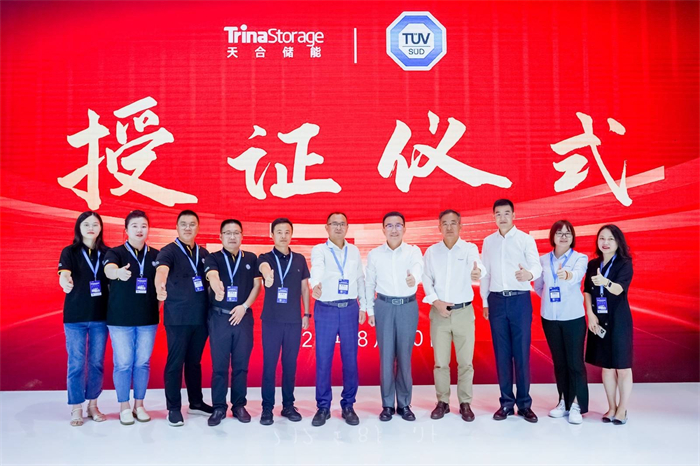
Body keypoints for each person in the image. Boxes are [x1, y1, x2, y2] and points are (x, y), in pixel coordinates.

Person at [481, 199, 542, 423]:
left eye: (507, 213)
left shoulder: (525, 239)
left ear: (514, 215)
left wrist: (529, 275)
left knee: (522, 353)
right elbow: (485, 273)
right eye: (498, 214)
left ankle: (524, 404)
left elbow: (536, 266)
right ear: (494, 217)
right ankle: (506, 403)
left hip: (519, 301)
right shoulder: (488, 242)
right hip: (496, 301)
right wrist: (485, 301)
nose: (503, 217)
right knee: (502, 354)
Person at [422, 209, 485, 422]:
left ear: (460, 226)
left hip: (464, 312)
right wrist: (436, 302)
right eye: (445, 223)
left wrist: (478, 272)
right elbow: (426, 279)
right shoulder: (432, 252)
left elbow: (478, 267)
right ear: (439, 227)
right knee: (440, 362)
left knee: (465, 362)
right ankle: (442, 402)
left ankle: (465, 403)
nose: (449, 227)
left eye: (453, 223)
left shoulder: (469, 249)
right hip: (439, 312)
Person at [154, 210, 213, 427]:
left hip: (201, 317)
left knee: (194, 362)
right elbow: (161, 271)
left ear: (198, 227)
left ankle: (196, 402)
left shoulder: (203, 253)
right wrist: (160, 286)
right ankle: (173, 408)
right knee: (175, 362)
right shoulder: (168, 251)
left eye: (192, 224)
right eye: (184, 224)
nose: (188, 228)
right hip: (178, 318)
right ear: (177, 227)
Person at [309, 212, 366, 427]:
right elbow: (317, 268)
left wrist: (364, 306)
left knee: (350, 360)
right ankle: (323, 406)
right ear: (327, 227)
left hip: (350, 308)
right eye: (334, 224)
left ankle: (348, 405)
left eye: (342, 224)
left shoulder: (354, 251)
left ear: (347, 227)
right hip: (326, 309)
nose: (339, 227)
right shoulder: (320, 250)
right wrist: (315, 284)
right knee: (323, 359)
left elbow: (360, 279)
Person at [103, 210, 160, 425]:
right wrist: (117, 273)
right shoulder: (116, 253)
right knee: (123, 364)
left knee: (143, 363)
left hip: (147, 319)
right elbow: (108, 269)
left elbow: (161, 284)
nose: (139, 230)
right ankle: (124, 406)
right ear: (126, 230)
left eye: (143, 226)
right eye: (134, 226)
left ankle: (139, 404)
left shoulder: (156, 255)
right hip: (120, 319)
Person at [365, 211, 423, 422]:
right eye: (389, 226)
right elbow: (369, 283)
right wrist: (370, 310)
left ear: (404, 229)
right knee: (386, 357)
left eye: (398, 225)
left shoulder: (413, 251)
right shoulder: (375, 254)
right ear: (383, 230)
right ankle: (388, 404)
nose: (394, 230)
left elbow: (418, 267)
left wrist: (414, 278)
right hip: (384, 306)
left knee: (405, 357)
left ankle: (405, 404)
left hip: (407, 306)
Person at [204, 219, 262, 426]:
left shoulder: (251, 258)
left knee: (241, 365)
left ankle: (239, 405)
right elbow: (212, 275)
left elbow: (257, 286)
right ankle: (219, 407)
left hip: (243, 317)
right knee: (219, 366)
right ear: (220, 236)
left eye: (236, 232)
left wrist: (244, 306)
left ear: (242, 236)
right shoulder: (213, 257)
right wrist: (217, 286)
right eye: (227, 233)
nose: (232, 236)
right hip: (220, 317)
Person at [533, 220, 589, 424]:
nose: (564, 237)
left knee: (575, 362)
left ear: (573, 237)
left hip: (573, 317)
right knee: (559, 362)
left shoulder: (579, 258)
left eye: (568, 233)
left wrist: (568, 275)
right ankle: (563, 401)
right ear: (552, 237)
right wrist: (550, 301)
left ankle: (577, 404)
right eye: (559, 233)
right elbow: (539, 286)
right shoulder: (542, 260)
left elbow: (577, 275)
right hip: (550, 317)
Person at [58, 211, 110, 426]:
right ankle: (76, 407)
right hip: (75, 317)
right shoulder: (69, 251)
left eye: (95, 224)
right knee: (76, 363)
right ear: (79, 227)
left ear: (101, 228)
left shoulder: (107, 253)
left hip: (101, 317)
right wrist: (64, 280)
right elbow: (64, 273)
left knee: (96, 363)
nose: (91, 228)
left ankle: (93, 405)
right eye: (86, 224)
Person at [257, 218, 311, 425]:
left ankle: (288, 405)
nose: (283, 236)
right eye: (279, 232)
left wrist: (307, 313)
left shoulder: (299, 259)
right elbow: (262, 267)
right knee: (269, 365)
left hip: (293, 321)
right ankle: (267, 408)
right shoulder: (265, 257)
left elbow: (305, 288)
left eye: (287, 232)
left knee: (290, 365)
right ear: (272, 235)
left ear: (291, 234)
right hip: (271, 320)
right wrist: (267, 274)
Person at [584, 224, 634, 425]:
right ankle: (611, 407)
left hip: (619, 319)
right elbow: (587, 290)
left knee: (622, 366)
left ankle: (622, 409)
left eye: (610, 239)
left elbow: (619, 289)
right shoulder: (593, 264)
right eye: (602, 238)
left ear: (618, 242)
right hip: (599, 318)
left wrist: (605, 282)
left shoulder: (624, 263)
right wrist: (590, 314)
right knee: (607, 366)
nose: (605, 242)